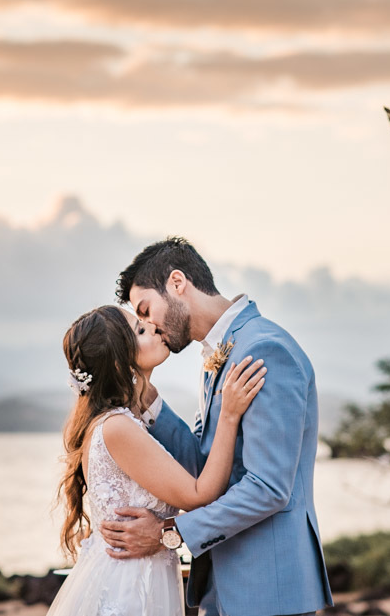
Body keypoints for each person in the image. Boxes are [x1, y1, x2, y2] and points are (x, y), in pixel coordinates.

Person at [100, 237, 333, 616]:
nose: (147, 326)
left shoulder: (263, 349)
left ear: (178, 283)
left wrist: (166, 533)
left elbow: (269, 488)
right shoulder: (219, 354)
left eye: (146, 310)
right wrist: (151, 403)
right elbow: (208, 468)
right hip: (225, 587)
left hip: (267, 590)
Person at [49, 304, 267, 616]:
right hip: (130, 589)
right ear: (119, 359)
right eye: (139, 329)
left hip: (137, 578)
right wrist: (229, 416)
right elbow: (199, 495)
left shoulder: (118, 421)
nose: (152, 326)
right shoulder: (118, 427)